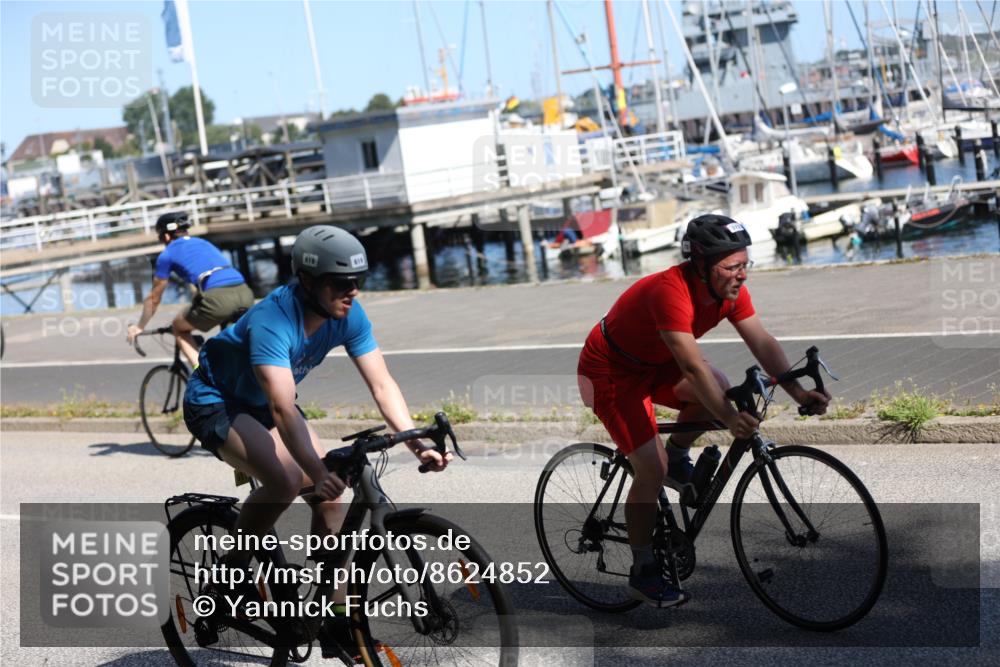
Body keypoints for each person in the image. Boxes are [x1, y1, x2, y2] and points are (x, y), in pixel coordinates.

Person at [182, 224, 449, 656]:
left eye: (358, 282)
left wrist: (416, 443)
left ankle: (334, 617)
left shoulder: (348, 315)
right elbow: (284, 408)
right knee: (288, 480)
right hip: (217, 402)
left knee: (333, 493)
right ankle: (228, 579)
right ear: (308, 281)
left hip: (267, 404)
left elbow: (382, 386)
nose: (353, 291)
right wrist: (314, 469)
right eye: (342, 283)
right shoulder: (274, 319)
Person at [576, 214, 830, 608]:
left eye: (745, 265)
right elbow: (692, 367)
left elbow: (761, 340)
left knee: (720, 388)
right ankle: (643, 569)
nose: (741, 275)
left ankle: (679, 456)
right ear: (701, 265)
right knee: (651, 468)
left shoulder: (730, 291)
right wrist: (729, 420)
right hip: (609, 372)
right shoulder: (669, 291)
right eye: (731, 267)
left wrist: (797, 391)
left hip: (654, 363)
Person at [126, 211, 254, 367]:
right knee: (231, 348)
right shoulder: (203, 243)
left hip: (218, 299)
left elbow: (155, 297)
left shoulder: (167, 254)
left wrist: (139, 327)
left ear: (166, 236)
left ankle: (202, 377)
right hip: (245, 292)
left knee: (178, 328)